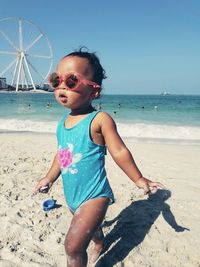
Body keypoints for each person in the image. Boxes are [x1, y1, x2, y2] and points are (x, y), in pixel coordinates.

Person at [33, 48, 164, 267]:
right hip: (72, 196)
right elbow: (62, 155)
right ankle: (99, 242)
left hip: (95, 195)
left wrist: (139, 179)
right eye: (57, 80)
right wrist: (48, 178)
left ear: (94, 92)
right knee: (92, 230)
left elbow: (119, 151)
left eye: (72, 81)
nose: (62, 86)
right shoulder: (62, 123)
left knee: (73, 247)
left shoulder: (99, 119)